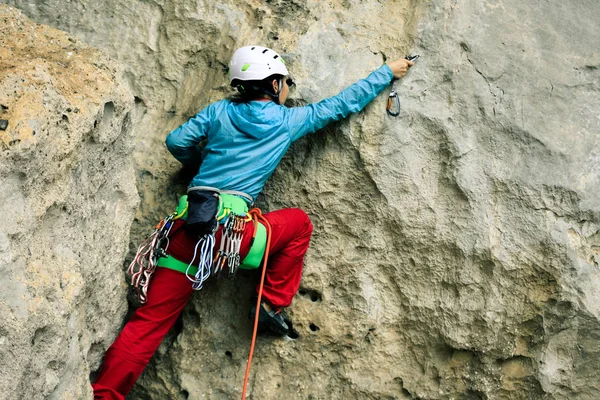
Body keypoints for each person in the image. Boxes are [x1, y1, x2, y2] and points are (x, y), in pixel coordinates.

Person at [92, 45, 413, 399]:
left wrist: (196, 166)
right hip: (235, 239)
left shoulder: (219, 112)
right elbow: (340, 105)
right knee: (300, 224)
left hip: (186, 231)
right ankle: (270, 303)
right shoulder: (287, 121)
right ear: (274, 84)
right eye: (286, 81)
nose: (288, 87)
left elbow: (177, 140)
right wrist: (386, 73)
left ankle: (103, 395)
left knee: (147, 325)